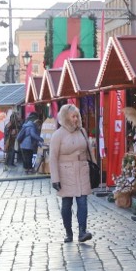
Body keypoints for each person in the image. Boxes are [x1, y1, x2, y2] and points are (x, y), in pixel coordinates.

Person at [49, 104, 94, 243]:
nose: (76, 119)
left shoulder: (82, 131)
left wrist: (94, 167)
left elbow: (89, 151)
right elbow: (53, 157)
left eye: (77, 116)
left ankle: (82, 231)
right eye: (73, 116)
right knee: (66, 204)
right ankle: (69, 232)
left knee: (82, 202)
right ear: (66, 118)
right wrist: (55, 178)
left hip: (82, 170)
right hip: (65, 172)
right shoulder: (58, 135)